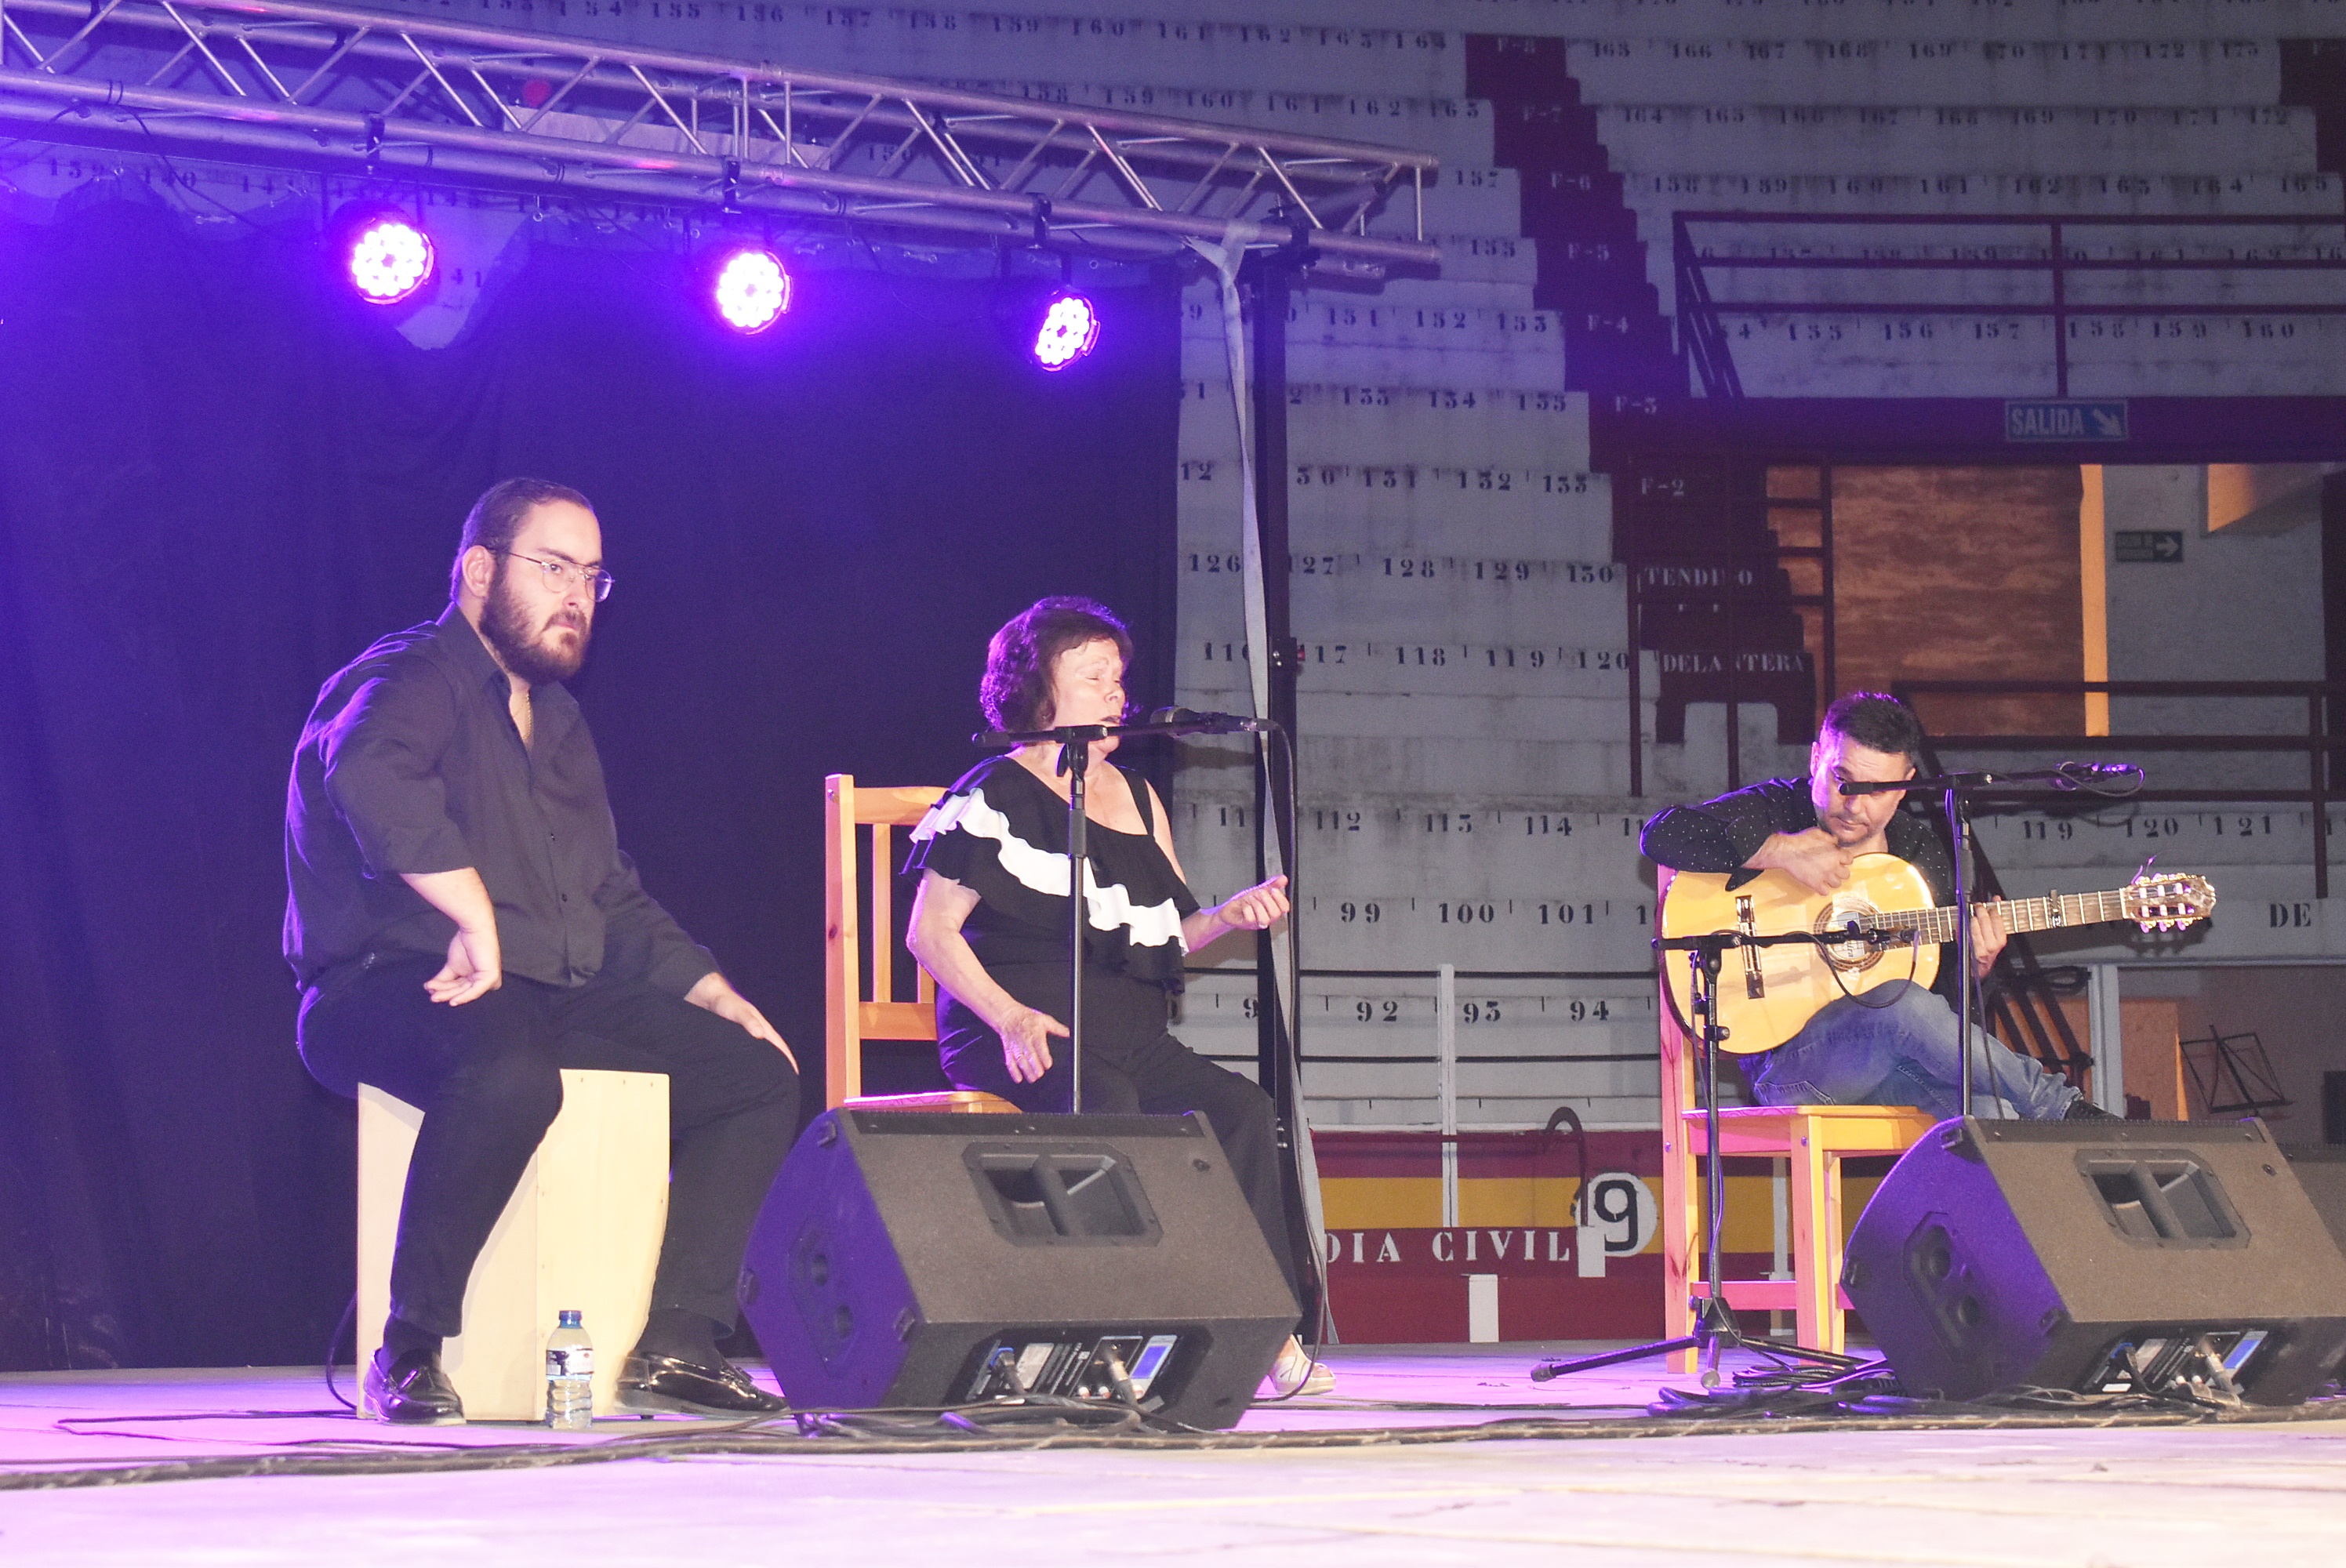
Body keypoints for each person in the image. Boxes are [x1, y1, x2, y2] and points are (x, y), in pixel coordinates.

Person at [285, 478, 801, 1425]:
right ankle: (408, 1347)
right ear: (479, 571)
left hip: (533, 988)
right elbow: (366, 773)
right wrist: (471, 910)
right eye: (553, 567)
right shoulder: (406, 677)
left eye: (593, 576)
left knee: (756, 1074)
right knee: (512, 1067)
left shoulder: (558, 721)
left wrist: (710, 987)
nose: (576, 594)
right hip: (384, 983)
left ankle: (680, 1339)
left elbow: (604, 888)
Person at [902, 596, 1331, 1397]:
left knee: (1239, 1110)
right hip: (1017, 1025)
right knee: (1112, 1102)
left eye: (1118, 675)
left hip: (1131, 1029)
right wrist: (1008, 1014)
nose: (1115, 692)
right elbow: (929, 934)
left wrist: (1226, 917)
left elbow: (1164, 933)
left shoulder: (1136, 796)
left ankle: (1259, 1328)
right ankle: (1120, 1334)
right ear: (1037, 692)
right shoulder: (991, 792)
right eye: (1092, 674)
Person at [1640, 691, 2101, 1122]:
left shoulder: (1918, 854)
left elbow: (1938, 1008)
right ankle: (2064, 1107)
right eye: (1842, 780)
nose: (1853, 804)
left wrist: (1976, 966)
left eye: (1876, 790)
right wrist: (1777, 850)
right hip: (1792, 1071)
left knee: (1993, 1118)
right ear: (1817, 757)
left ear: (1905, 787)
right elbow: (1662, 833)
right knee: (1900, 1007)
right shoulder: (1780, 809)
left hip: (1886, 1065)